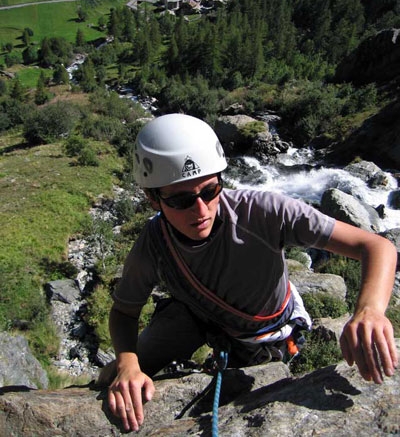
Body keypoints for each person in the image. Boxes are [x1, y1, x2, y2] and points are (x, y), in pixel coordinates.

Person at [104, 113, 398, 432]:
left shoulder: (264, 213)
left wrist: (369, 310)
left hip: (267, 333)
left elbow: (376, 246)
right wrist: (128, 364)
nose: (200, 210)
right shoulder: (153, 245)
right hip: (195, 317)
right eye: (181, 200)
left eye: (210, 191)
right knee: (112, 377)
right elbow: (124, 312)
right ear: (152, 199)